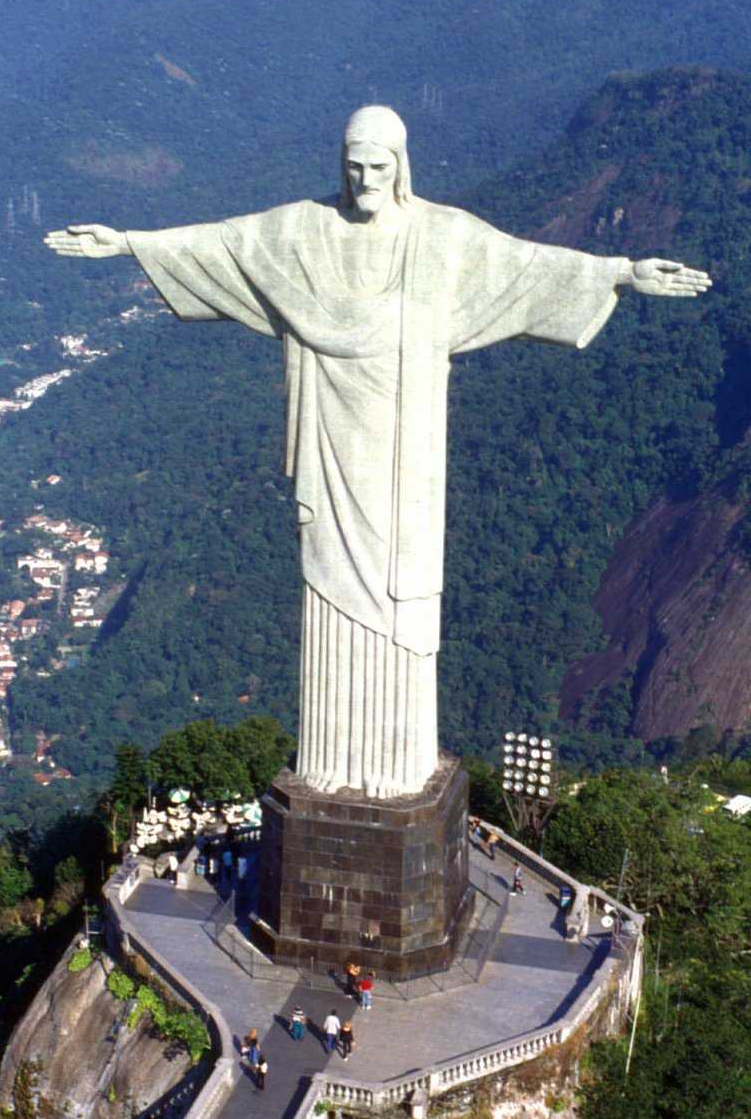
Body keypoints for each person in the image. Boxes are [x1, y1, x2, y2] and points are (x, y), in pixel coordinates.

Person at [45, 107, 710, 802]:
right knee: (330, 590)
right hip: (332, 446)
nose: (365, 180)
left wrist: (623, 273)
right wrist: (127, 242)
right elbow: (227, 244)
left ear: (402, 168)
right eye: (355, 166)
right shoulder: (305, 229)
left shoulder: (442, 237)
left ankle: (397, 768)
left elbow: (527, 264)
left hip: (405, 458)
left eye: (379, 167)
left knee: (400, 602)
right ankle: (330, 761)